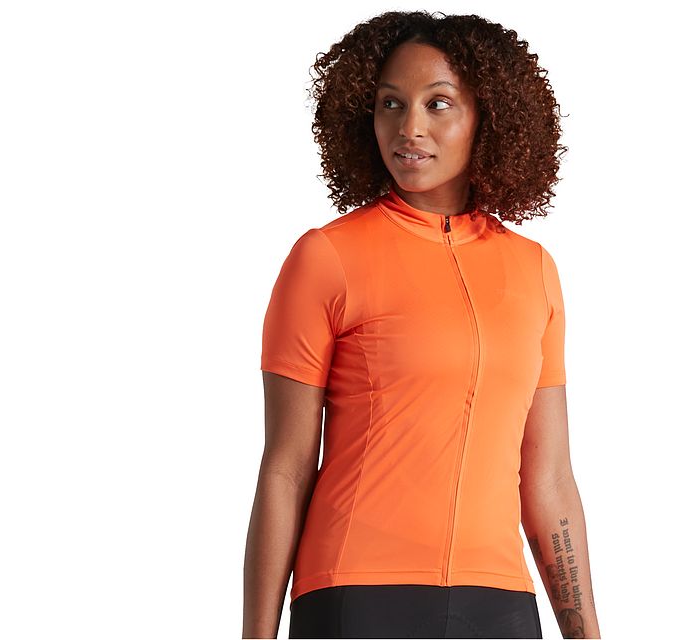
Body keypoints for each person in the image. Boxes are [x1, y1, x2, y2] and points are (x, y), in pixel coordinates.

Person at [243, 10, 601, 639]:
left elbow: (548, 478)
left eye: (438, 104)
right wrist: (255, 635)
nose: (409, 128)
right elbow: (286, 468)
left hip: (500, 603)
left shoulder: (534, 271)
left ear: (489, 116)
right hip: (357, 595)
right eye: (390, 103)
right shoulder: (326, 258)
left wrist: (586, 631)